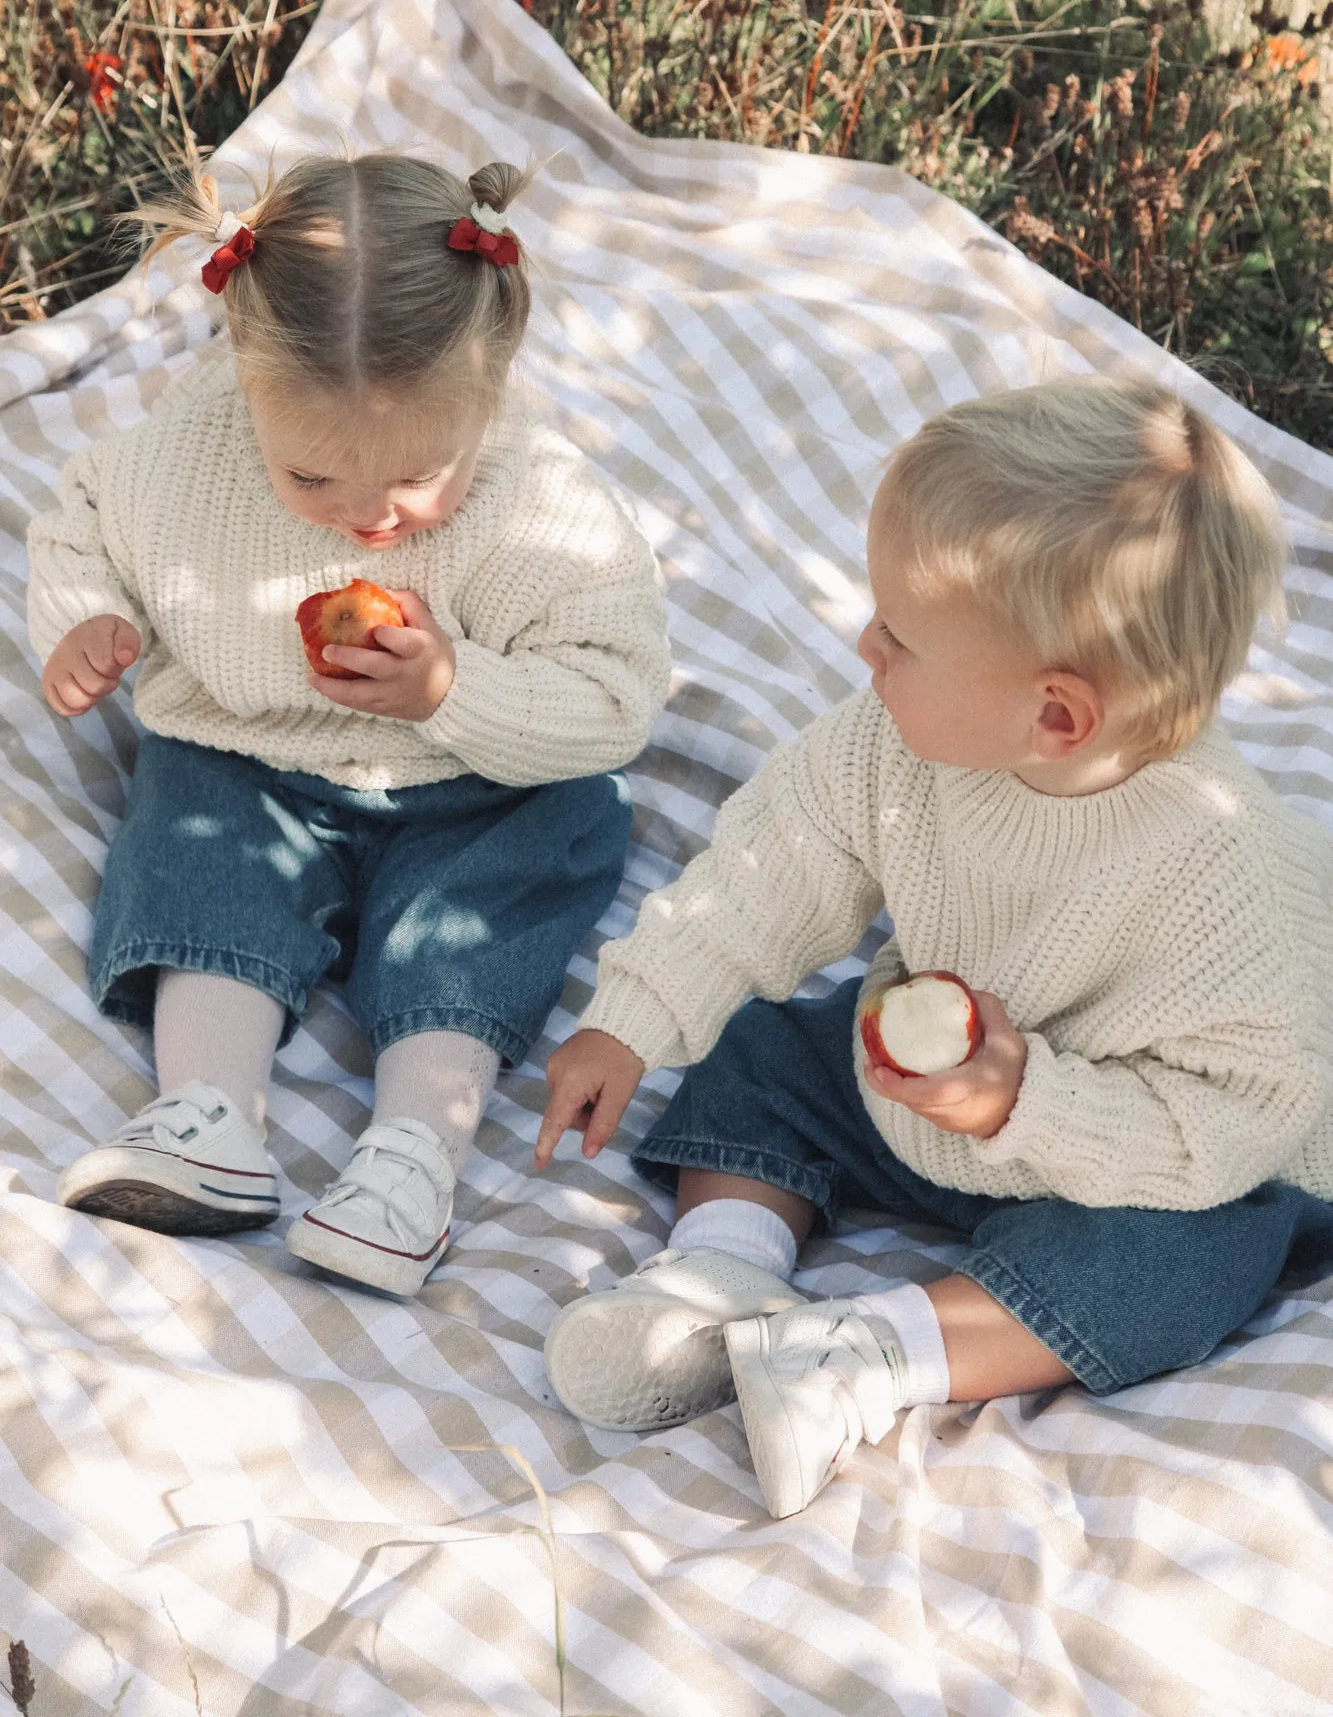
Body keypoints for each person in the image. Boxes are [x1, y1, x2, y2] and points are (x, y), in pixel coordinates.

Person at [536, 378, 1333, 1519]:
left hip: (1155, 1154)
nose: (865, 645)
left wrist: (1026, 1105)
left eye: (899, 637)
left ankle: (865, 1352)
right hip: (927, 1093)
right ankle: (720, 1269)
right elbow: (771, 870)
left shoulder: (1225, 880)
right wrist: (634, 1015)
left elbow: (1230, 1118)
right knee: (766, 1049)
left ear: (1055, 715)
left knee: (1191, 1263)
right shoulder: (890, 743)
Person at [30, 154, 670, 1298]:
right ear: (243, 380)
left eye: (417, 478)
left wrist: (454, 690)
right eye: (313, 477)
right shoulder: (189, 452)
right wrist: (85, 616)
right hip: (254, 755)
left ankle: (412, 1151)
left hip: (475, 781)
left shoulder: (544, 506)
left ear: (491, 388)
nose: (369, 517)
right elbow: (82, 522)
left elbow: (616, 696)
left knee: (537, 850)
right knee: (192, 833)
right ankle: (207, 1113)